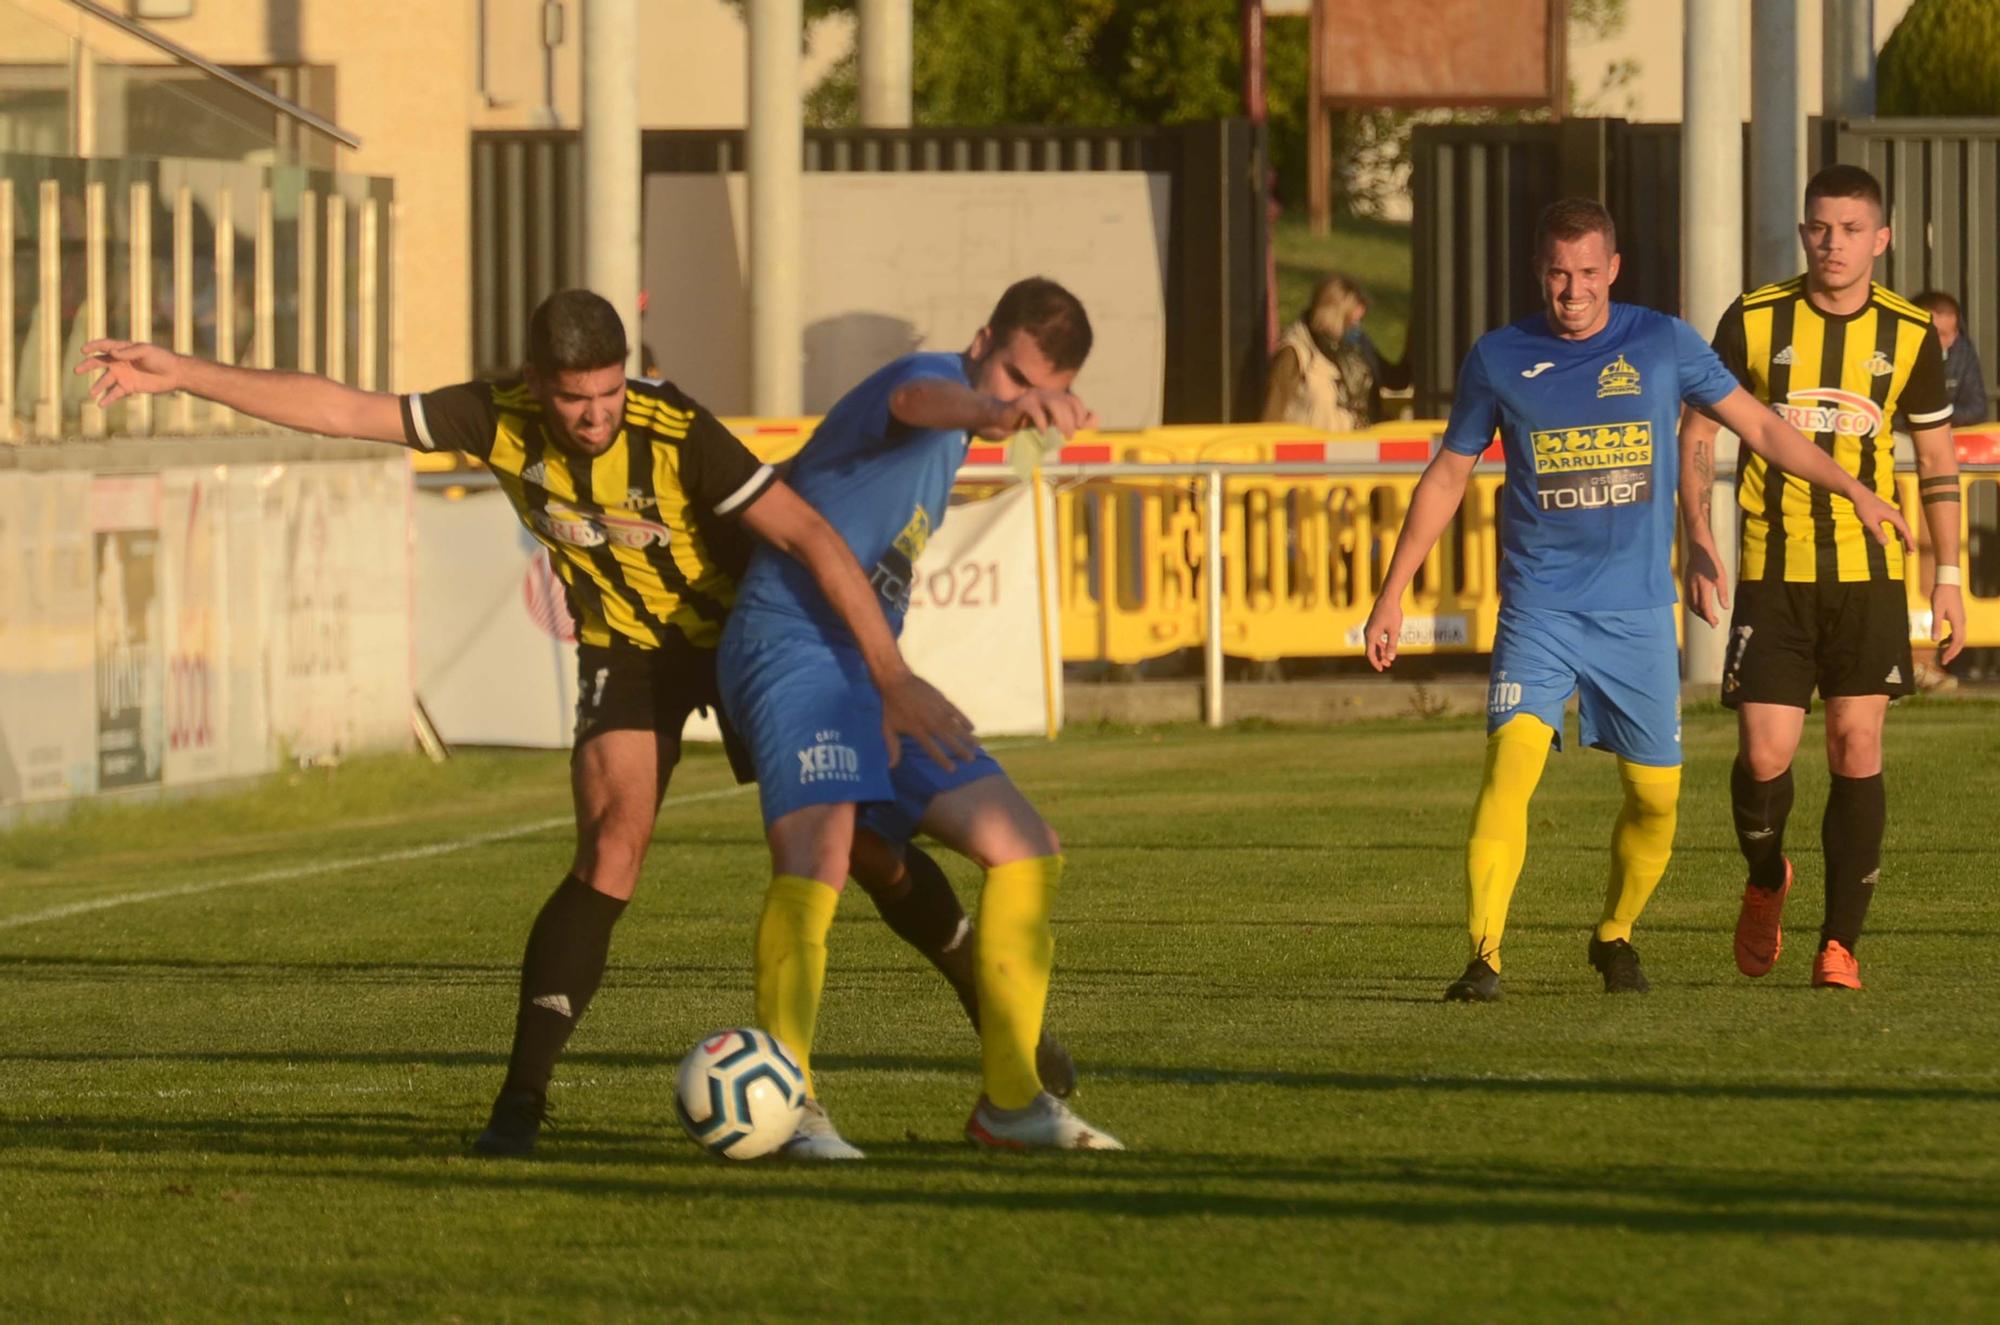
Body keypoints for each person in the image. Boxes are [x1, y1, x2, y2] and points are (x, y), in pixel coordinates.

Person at [72, 289, 1068, 1159]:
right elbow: (339, 405)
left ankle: (996, 1025)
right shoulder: (490, 413)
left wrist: (883, 670)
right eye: (570, 398)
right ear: (536, 382)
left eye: (605, 394)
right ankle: (520, 1100)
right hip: (626, 656)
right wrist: (185, 373)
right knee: (612, 843)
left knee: (868, 851)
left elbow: (802, 529)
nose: (591, 417)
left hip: (743, 636)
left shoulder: (671, 424)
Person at [1359, 198, 1912, 1003]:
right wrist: (1392, 594)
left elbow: (1760, 427)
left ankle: (1614, 934)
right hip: (1539, 610)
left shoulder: (1662, 342)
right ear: (1538, 270)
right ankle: (1484, 958)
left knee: (1655, 800)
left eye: (1588, 273)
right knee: (1508, 770)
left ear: (1612, 269)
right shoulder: (1499, 357)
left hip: (1638, 615)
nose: (1572, 290)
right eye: (1558, 272)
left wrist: (1854, 488)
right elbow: (1448, 474)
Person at [719, 277, 1123, 1155]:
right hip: (789, 645)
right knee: (821, 850)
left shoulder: (963, 425)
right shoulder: (931, 381)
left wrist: (1001, 414)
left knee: (1027, 845)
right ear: (983, 340)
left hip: (868, 670)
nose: (1018, 400)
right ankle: (787, 1104)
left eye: (1035, 389)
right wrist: (994, 406)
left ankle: (1010, 1105)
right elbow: (917, 397)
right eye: (1012, 375)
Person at [1680, 165, 1963, 992]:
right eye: (1819, 227)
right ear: (1802, 232)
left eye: (1849, 229)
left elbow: (1937, 458)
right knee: (1765, 755)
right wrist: (1697, 537)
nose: (1832, 243)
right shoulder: (1755, 317)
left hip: (1871, 574)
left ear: (1881, 238)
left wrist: (1949, 575)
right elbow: (1700, 429)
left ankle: (1841, 942)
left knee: (1854, 743)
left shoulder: (1911, 333)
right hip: (1774, 571)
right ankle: (1767, 879)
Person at [1263, 274, 1408, 430]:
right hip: (1311, 451)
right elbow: (1271, 417)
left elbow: (1395, 380)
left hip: (1362, 447)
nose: (1356, 328)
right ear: (1332, 315)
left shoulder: (1358, 344)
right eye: (1351, 322)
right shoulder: (1295, 353)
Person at [1911, 290, 1989, 428]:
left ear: (1955, 336)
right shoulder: (1891, 352)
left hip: (1948, 436)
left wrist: (1934, 414)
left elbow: (1977, 410)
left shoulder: (1963, 352)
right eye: (1929, 332)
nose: (1934, 341)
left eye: (1943, 334)